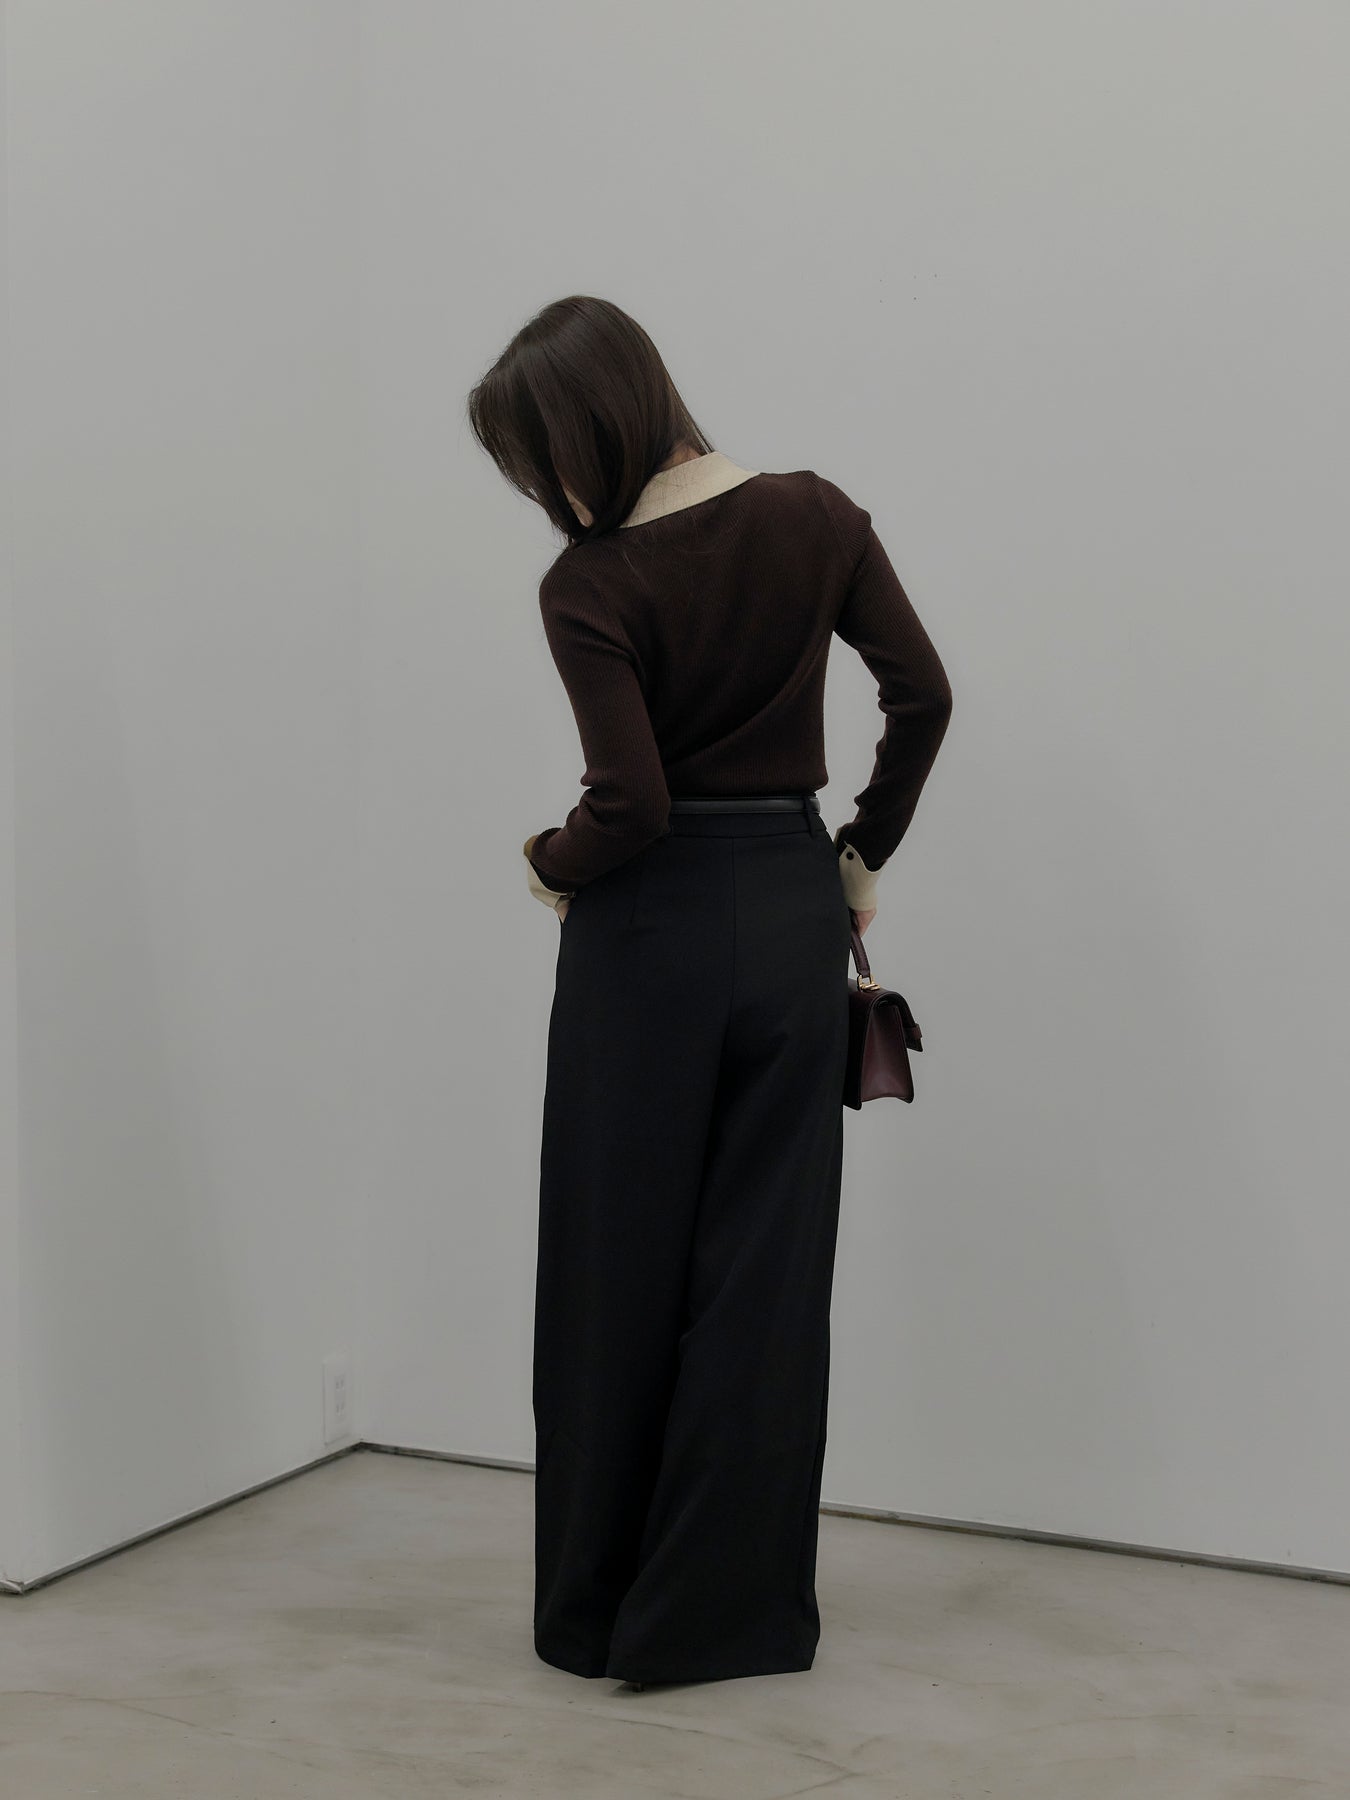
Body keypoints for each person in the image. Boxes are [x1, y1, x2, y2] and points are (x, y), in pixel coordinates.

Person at [466, 294, 953, 1690]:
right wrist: (857, 853)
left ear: (585, 434)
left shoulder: (592, 581)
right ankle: (727, 1616)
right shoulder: (816, 515)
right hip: (791, 909)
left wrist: (546, 864)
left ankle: (597, 1610)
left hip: (648, 936)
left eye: (537, 461)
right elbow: (921, 695)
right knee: (764, 1273)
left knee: (613, 1263)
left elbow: (628, 803)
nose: (543, 492)